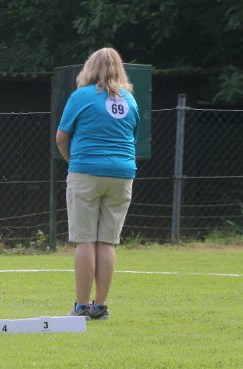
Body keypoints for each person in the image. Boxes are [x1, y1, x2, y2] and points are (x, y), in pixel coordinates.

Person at [55, 47, 139, 320]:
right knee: (107, 242)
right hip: (122, 174)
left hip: (86, 172)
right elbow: (133, 138)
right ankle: (100, 306)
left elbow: (61, 137)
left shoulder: (80, 97)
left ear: (89, 68)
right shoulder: (130, 100)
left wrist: (72, 161)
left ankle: (81, 307)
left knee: (85, 240)